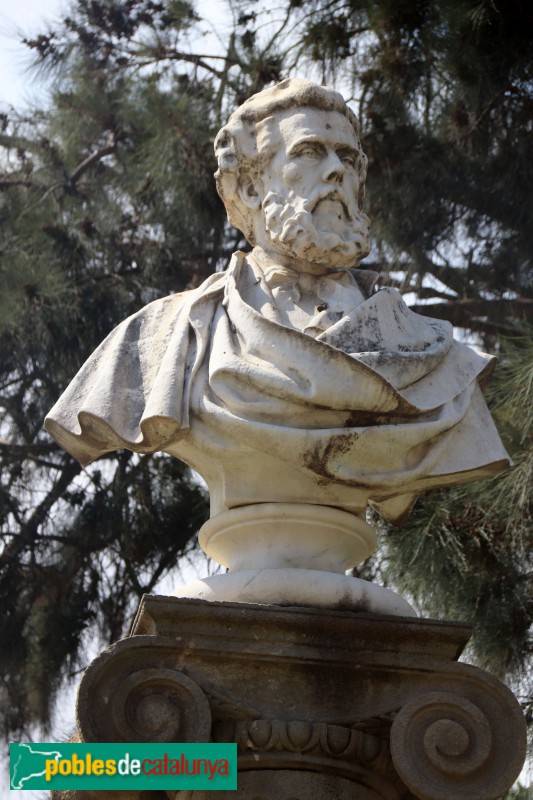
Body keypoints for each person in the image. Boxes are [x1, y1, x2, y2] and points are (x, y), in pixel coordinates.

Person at [45, 78, 510, 527]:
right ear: (249, 187)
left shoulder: (433, 351)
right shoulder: (163, 338)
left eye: (348, 158)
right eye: (309, 152)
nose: (336, 171)